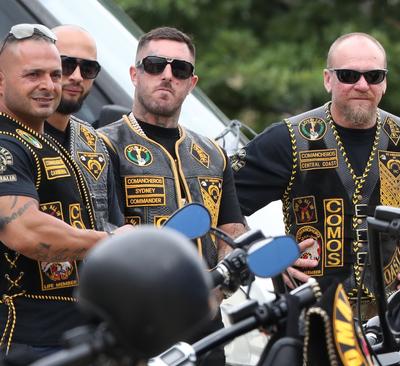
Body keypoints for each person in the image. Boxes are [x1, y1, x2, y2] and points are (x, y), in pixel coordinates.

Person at [233, 32, 400, 318]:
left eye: (373, 76)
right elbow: (224, 201)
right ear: (328, 79)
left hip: (389, 319)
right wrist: (266, 254)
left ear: (384, 82)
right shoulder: (288, 139)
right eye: (348, 75)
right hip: (310, 313)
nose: (362, 85)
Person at [98, 27, 246, 365]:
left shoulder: (213, 152)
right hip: (135, 325)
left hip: (206, 326)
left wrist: (218, 290)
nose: (167, 75)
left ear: (192, 83)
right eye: (154, 65)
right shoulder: (101, 145)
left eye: (180, 69)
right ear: (135, 74)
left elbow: (232, 228)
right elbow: (99, 232)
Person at [0, 23, 129, 364]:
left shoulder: (48, 143)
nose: (48, 85)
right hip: (23, 337)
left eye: (54, 75)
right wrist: (110, 242)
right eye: (33, 75)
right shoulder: (4, 143)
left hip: (73, 334)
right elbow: (25, 230)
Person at [45, 25, 122, 231]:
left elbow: (112, 223)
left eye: (88, 69)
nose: (77, 76)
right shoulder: (11, 132)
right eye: (66, 64)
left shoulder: (93, 141)